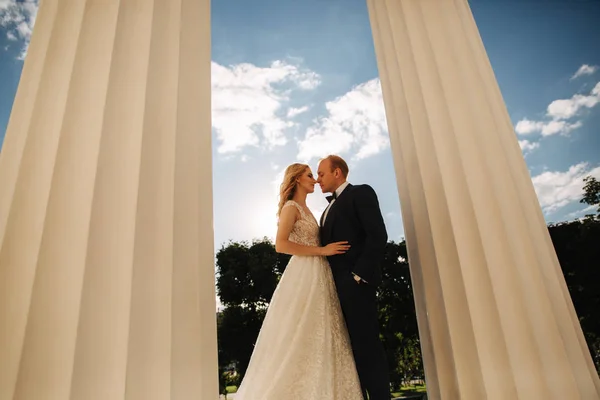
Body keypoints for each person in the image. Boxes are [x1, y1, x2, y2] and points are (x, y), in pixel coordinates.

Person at [234, 163, 364, 400]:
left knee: (323, 331)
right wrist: (323, 250)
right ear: (296, 179)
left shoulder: (308, 209)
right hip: (304, 273)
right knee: (301, 330)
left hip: (320, 274)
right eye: (309, 175)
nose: (314, 179)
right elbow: (280, 244)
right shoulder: (291, 207)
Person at [317, 154, 390, 400]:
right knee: (348, 353)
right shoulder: (325, 210)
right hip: (332, 290)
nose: (318, 180)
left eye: (321, 173)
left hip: (356, 287)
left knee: (367, 348)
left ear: (337, 172)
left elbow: (377, 236)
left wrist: (357, 277)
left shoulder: (361, 193)